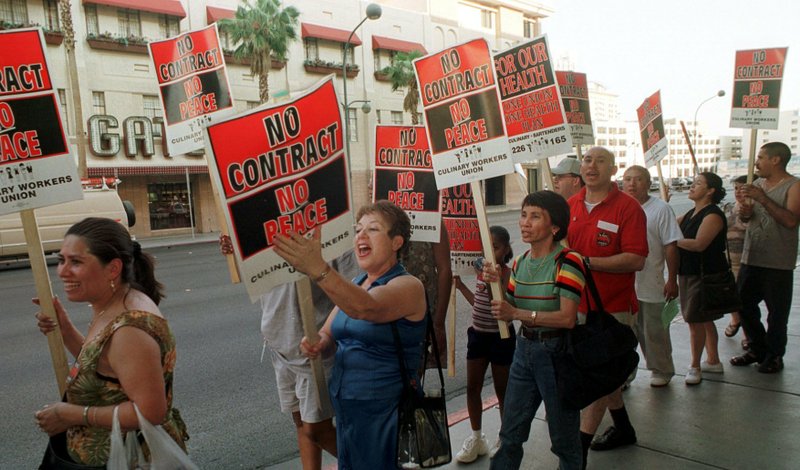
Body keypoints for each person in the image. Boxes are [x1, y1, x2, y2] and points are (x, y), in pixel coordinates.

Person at [277, 200, 427, 469]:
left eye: (373, 229)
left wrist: (318, 267)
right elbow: (329, 330)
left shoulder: (408, 285)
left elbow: (364, 308)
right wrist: (318, 343)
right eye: (358, 230)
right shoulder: (359, 282)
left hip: (385, 415)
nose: (361, 235)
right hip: (349, 413)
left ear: (396, 242)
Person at [33, 217, 189, 468]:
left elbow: (150, 412)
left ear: (113, 269)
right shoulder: (114, 305)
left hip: (129, 459)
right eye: (61, 260)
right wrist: (65, 329)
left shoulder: (130, 329)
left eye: (76, 262)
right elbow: (105, 366)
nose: (62, 271)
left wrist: (69, 414)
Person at [219, 236, 358, 470]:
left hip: (313, 345)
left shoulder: (334, 233)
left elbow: (352, 288)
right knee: (301, 423)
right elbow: (259, 278)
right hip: (280, 340)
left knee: (317, 429)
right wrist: (238, 251)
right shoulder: (266, 231)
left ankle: (371, 464)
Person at [485, 191, 586, 470]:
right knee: (509, 433)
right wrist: (497, 284)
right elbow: (510, 306)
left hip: (556, 354)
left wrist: (516, 313)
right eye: (523, 214)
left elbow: (567, 318)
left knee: (564, 438)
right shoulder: (519, 262)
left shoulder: (568, 261)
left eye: (535, 216)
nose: (525, 222)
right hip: (524, 350)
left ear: (555, 227)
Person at [565, 147, 647, 464]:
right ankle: (623, 428)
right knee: (602, 372)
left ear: (612, 170)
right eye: (587, 160)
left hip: (612, 309)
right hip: (575, 305)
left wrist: (588, 263)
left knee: (598, 373)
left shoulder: (627, 208)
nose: (592, 166)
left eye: (600, 161)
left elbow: (636, 259)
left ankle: (578, 452)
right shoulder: (569, 206)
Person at [731, 142, 800, 373]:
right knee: (741, 304)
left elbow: (791, 221)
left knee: (777, 313)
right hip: (752, 256)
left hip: (778, 260)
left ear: (776, 160)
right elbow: (748, 219)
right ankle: (756, 347)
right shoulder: (756, 184)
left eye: (760, 157)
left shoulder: (793, 186)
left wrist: (762, 199)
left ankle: (774, 355)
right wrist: (746, 212)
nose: (756, 162)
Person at [452, 226, 515, 463]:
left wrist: (491, 281)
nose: (489, 254)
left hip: (501, 337)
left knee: (503, 391)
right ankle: (477, 437)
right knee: (472, 387)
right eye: (485, 248)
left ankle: (505, 436)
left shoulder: (506, 274)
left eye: (495, 248)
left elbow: (498, 304)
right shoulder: (481, 274)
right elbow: (479, 304)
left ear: (505, 249)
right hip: (477, 335)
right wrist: (461, 287)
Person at [623, 165, 681, 387]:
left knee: (654, 332)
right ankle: (625, 376)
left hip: (651, 284)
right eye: (627, 179)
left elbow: (671, 246)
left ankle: (661, 369)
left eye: (638, 179)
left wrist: (672, 279)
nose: (632, 184)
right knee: (625, 335)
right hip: (624, 286)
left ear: (648, 183)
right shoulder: (620, 208)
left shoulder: (660, 209)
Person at [677, 173, 728, 385]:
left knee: (695, 320)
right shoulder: (692, 212)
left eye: (698, 184)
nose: (692, 186)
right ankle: (713, 360)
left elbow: (699, 244)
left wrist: (674, 239)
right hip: (690, 272)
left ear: (710, 191)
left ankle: (695, 365)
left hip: (703, 274)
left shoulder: (713, 215)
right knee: (704, 319)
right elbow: (670, 225)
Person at [722, 175, 749, 347]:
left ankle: (748, 335)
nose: (739, 192)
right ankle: (735, 319)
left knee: (744, 300)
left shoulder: (753, 209)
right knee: (729, 296)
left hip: (746, 260)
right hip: (727, 260)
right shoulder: (728, 207)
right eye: (736, 188)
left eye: (743, 188)